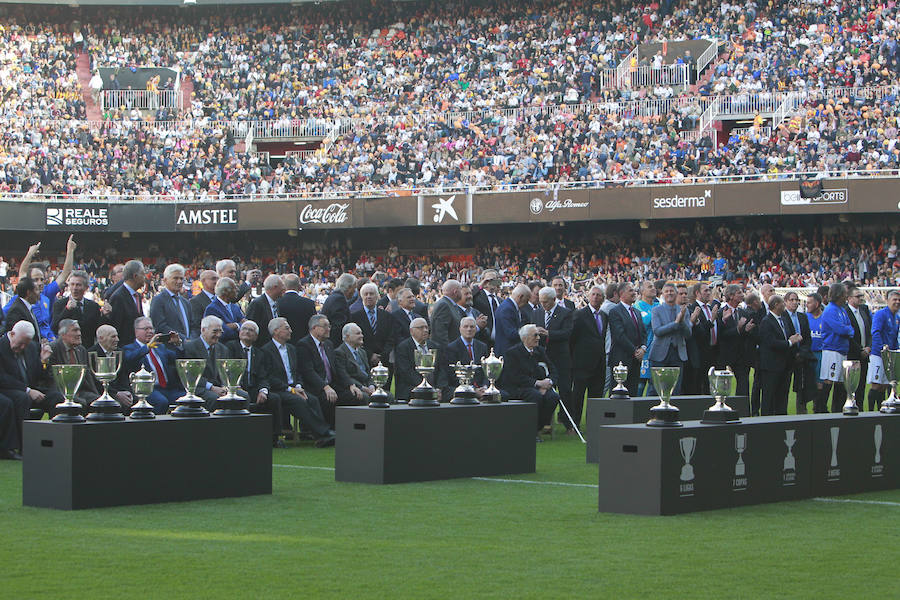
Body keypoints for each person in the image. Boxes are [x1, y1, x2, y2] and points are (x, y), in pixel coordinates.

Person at [259, 317, 335, 448]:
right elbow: (270, 377)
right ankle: (324, 433)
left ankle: (320, 435)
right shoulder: (266, 350)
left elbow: (298, 372)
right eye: (287, 328)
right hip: (280, 390)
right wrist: (291, 389)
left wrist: (298, 386)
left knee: (312, 399)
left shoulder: (291, 349)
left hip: (294, 388)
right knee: (298, 401)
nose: (291, 331)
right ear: (276, 331)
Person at [4, 236, 76, 342]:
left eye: (42, 279)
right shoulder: (18, 300)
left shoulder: (46, 294)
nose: (39, 283)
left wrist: (70, 250)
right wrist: (30, 254)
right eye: (35, 279)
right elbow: (23, 272)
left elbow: (65, 273)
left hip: (50, 342)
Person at [296, 314, 360, 428]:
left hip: (332, 385)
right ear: (314, 328)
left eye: (329, 326)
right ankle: (327, 430)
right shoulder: (304, 345)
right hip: (315, 386)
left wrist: (351, 384)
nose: (328, 329)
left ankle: (349, 429)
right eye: (325, 326)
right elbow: (308, 371)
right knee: (327, 398)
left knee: (353, 395)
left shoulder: (329, 344)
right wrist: (325, 387)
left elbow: (338, 369)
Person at [500, 323, 560, 441]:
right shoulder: (512, 353)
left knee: (553, 397)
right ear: (525, 338)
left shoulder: (540, 351)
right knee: (535, 396)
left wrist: (549, 382)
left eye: (538, 335)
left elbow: (553, 369)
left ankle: (538, 427)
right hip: (519, 387)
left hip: (539, 386)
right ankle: (532, 431)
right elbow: (514, 377)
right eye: (535, 335)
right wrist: (537, 383)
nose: (538, 338)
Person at [0, 321, 62, 432]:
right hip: (9, 389)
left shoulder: (31, 347)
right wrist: (27, 391)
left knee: (56, 397)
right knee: (23, 398)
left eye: (26, 344)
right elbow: (3, 378)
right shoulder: (2, 346)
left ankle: (55, 436)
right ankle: (22, 442)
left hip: (30, 388)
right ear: (12, 334)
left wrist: (43, 361)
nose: (23, 347)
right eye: (21, 343)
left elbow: (38, 376)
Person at [122, 316, 183, 414]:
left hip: (167, 388)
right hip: (148, 390)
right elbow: (130, 359)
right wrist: (147, 347)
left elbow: (177, 359)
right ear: (136, 331)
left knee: (185, 400)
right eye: (146, 329)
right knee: (161, 402)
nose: (150, 331)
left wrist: (177, 344)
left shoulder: (160, 347)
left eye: (151, 328)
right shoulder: (129, 348)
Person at [534, 286, 575, 434]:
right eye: (541, 302)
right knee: (544, 392)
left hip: (560, 359)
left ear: (553, 300)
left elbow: (567, 333)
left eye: (546, 302)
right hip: (542, 360)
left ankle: (569, 423)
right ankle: (545, 423)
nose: (543, 305)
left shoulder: (566, 313)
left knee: (564, 391)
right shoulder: (537, 313)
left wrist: (548, 333)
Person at [758, 295, 803, 415]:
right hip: (771, 366)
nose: (785, 305)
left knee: (783, 395)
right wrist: (789, 342)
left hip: (784, 365)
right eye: (783, 303)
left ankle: (782, 419)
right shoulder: (766, 321)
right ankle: (765, 421)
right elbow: (770, 342)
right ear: (776, 305)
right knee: (769, 396)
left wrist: (791, 339)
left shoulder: (783, 320)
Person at [570, 284, 607, 425]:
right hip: (581, 363)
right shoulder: (579, 314)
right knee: (578, 396)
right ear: (588, 296)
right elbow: (572, 339)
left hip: (599, 363)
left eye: (598, 295)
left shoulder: (604, 316)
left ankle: (593, 423)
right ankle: (575, 424)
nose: (596, 297)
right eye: (593, 294)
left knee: (596, 396)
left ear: (603, 298)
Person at [182, 315, 236, 410]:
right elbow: (191, 375)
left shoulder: (223, 349)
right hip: (199, 388)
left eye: (220, 332)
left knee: (242, 396)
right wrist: (212, 387)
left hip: (220, 387)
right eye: (215, 331)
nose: (218, 335)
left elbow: (226, 373)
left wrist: (225, 387)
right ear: (203, 330)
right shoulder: (190, 347)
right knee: (214, 398)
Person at [48, 319, 102, 411]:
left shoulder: (81, 350)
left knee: (99, 403)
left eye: (79, 330)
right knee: (79, 402)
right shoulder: (53, 349)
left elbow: (87, 376)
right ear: (63, 334)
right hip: (61, 391)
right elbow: (52, 377)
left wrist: (97, 395)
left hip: (81, 391)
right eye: (75, 330)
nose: (79, 334)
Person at [647, 283, 691, 395]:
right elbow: (657, 331)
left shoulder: (683, 311)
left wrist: (681, 322)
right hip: (660, 354)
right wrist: (676, 323)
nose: (669, 293)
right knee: (656, 388)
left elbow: (688, 334)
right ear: (662, 294)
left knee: (676, 388)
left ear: (676, 293)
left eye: (672, 291)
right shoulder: (656, 310)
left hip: (678, 353)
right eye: (666, 291)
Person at [820, 283, 855, 412]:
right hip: (832, 350)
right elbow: (840, 329)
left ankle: (837, 409)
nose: (846, 296)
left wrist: (848, 330)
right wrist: (848, 330)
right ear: (839, 295)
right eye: (845, 293)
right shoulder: (830, 310)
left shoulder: (842, 310)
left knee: (840, 381)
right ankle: (821, 408)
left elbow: (850, 328)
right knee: (829, 380)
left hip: (842, 350)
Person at [394, 317, 445, 403]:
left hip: (435, 387)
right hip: (412, 387)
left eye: (426, 327)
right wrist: (426, 388)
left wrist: (439, 388)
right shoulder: (403, 348)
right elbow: (406, 372)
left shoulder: (435, 346)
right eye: (421, 328)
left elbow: (442, 369)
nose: (425, 330)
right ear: (411, 331)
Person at [608, 282, 646, 397]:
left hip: (636, 360)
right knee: (618, 394)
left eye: (634, 290)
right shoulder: (615, 311)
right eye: (630, 291)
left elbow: (643, 333)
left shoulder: (637, 312)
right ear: (621, 294)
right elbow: (619, 335)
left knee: (633, 392)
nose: (634, 293)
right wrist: (635, 351)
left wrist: (643, 349)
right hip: (621, 359)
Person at [716, 284, 755, 397]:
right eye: (739, 293)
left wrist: (746, 330)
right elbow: (721, 334)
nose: (742, 295)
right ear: (731, 296)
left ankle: (742, 410)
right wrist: (737, 329)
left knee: (743, 386)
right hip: (725, 355)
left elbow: (746, 334)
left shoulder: (744, 313)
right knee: (723, 388)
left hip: (741, 355)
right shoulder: (720, 313)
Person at [350, 282, 394, 377]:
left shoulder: (387, 316)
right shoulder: (355, 317)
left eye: (371, 293)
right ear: (362, 297)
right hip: (364, 361)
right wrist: (370, 355)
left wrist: (382, 356)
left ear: (377, 296)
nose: (368, 296)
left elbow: (391, 338)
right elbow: (354, 341)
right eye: (366, 294)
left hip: (384, 362)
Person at [867, 290, 900, 411]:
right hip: (878, 355)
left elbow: (894, 337)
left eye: (899, 300)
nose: (897, 302)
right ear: (888, 301)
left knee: (885, 385)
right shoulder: (881, 314)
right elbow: (875, 332)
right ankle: (870, 411)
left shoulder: (896, 317)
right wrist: (882, 348)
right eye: (894, 299)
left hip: (889, 356)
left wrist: (895, 352)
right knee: (876, 384)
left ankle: (881, 409)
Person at [442, 316, 489, 401]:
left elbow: (486, 370)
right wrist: (473, 390)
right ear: (460, 329)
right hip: (463, 389)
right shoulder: (451, 348)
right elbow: (452, 375)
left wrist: (485, 387)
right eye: (466, 326)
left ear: (475, 329)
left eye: (472, 327)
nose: (469, 329)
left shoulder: (482, 346)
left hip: (482, 389)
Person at [52, 270, 102, 349]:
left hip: (87, 349)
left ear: (86, 287)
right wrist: (67, 310)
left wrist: (106, 316)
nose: (75, 288)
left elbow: (99, 330)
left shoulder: (93, 306)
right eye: (72, 284)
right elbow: (55, 328)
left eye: (78, 285)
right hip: (66, 350)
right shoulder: (60, 304)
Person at [784, 291, 814, 414]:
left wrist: (802, 353)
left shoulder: (802, 317)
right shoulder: (782, 316)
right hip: (787, 357)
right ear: (785, 301)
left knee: (802, 386)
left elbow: (807, 338)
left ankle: (801, 412)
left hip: (801, 357)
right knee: (784, 387)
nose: (795, 302)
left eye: (796, 300)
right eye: (792, 300)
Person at [87, 324, 133, 405]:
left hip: (119, 390)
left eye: (117, 336)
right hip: (101, 392)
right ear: (101, 338)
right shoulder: (91, 354)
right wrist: (116, 394)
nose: (117, 339)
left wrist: (127, 392)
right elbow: (95, 382)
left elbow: (124, 377)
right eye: (113, 337)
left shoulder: (120, 353)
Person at [104, 260, 147, 346]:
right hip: (125, 348)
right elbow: (116, 327)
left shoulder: (137, 295)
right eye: (143, 274)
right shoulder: (118, 297)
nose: (145, 277)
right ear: (135, 276)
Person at [687, 282, 719, 394]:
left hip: (713, 352)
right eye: (705, 290)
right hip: (700, 353)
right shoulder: (692, 309)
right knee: (699, 385)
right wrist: (711, 320)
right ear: (697, 293)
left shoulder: (710, 308)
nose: (708, 293)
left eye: (709, 290)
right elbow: (700, 333)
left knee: (711, 385)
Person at [334, 323, 377, 402]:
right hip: (351, 388)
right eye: (358, 333)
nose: (362, 336)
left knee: (387, 396)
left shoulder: (362, 352)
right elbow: (344, 376)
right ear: (347, 336)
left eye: (361, 333)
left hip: (367, 387)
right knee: (364, 397)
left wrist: (371, 386)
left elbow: (368, 373)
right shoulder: (339, 353)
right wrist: (362, 387)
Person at [844, 284, 872, 408]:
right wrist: (860, 349)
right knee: (850, 387)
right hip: (852, 354)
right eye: (857, 296)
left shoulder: (864, 310)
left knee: (861, 387)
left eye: (861, 296)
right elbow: (848, 335)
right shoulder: (845, 312)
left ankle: (859, 410)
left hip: (865, 355)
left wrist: (868, 348)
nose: (860, 298)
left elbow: (869, 331)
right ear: (849, 298)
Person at [149, 264, 193, 341]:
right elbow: (161, 326)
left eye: (181, 278)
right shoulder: (158, 300)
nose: (179, 281)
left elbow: (193, 325)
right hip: (169, 349)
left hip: (189, 348)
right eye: (175, 278)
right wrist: (183, 339)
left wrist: (192, 340)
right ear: (165, 280)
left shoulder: (186, 302)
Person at [203, 277, 246, 343]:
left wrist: (235, 325)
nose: (237, 290)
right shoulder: (212, 309)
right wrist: (239, 326)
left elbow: (246, 324)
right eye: (234, 288)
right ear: (225, 291)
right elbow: (223, 333)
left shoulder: (235, 307)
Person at [245, 274, 284, 348]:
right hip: (261, 348)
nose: (284, 289)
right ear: (275, 287)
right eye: (282, 286)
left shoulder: (277, 303)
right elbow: (251, 328)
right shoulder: (257, 304)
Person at [278, 273, 317, 344]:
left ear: (284, 286)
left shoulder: (277, 303)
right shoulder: (309, 303)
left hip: (283, 343)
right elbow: (314, 326)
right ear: (299, 286)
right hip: (305, 344)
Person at [493, 284, 531, 357]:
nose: (527, 303)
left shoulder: (511, 307)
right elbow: (510, 333)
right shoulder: (507, 309)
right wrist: (529, 332)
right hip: (506, 352)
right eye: (526, 300)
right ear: (520, 297)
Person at [635, 280, 658, 395]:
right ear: (642, 291)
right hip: (644, 352)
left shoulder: (658, 305)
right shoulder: (638, 306)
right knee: (640, 385)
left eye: (654, 286)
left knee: (655, 387)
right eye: (650, 287)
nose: (653, 288)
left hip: (658, 353)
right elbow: (645, 321)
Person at [805, 293, 827, 413]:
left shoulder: (825, 318)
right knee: (805, 384)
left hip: (820, 355)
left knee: (820, 384)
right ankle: (802, 410)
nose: (806, 305)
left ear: (817, 304)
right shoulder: (805, 317)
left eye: (809, 302)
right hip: (807, 355)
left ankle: (818, 409)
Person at [321, 273, 356, 346]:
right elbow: (338, 328)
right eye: (354, 288)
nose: (354, 291)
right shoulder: (339, 299)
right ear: (349, 287)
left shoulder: (334, 296)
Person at [3, 278, 42, 343]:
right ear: (28, 293)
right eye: (37, 290)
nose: (39, 293)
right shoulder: (16, 311)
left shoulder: (28, 308)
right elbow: (17, 340)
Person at [430, 279, 465, 348]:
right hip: (447, 353)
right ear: (455, 292)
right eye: (461, 290)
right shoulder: (444, 305)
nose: (462, 292)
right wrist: (448, 351)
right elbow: (440, 334)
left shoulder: (449, 304)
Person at [472, 270, 501, 347]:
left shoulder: (500, 300)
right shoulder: (477, 296)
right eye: (489, 280)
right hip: (483, 341)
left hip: (499, 342)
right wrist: (480, 285)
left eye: (494, 280)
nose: (491, 282)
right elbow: (466, 298)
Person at [189, 270, 218, 335]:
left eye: (217, 278)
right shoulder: (195, 301)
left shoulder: (221, 298)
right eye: (213, 279)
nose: (216, 281)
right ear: (203, 281)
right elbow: (197, 324)